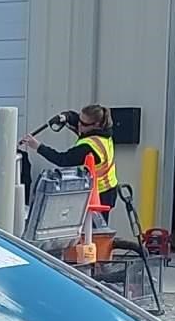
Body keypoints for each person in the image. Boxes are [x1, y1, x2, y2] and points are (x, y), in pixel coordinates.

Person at [20, 105, 118, 259]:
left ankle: (94, 264)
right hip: (108, 190)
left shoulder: (89, 147)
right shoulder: (105, 133)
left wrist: (37, 146)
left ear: (96, 125)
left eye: (83, 124)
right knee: (88, 234)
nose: (79, 125)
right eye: (79, 120)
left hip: (99, 195)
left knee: (92, 235)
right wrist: (65, 117)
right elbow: (76, 119)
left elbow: (63, 159)